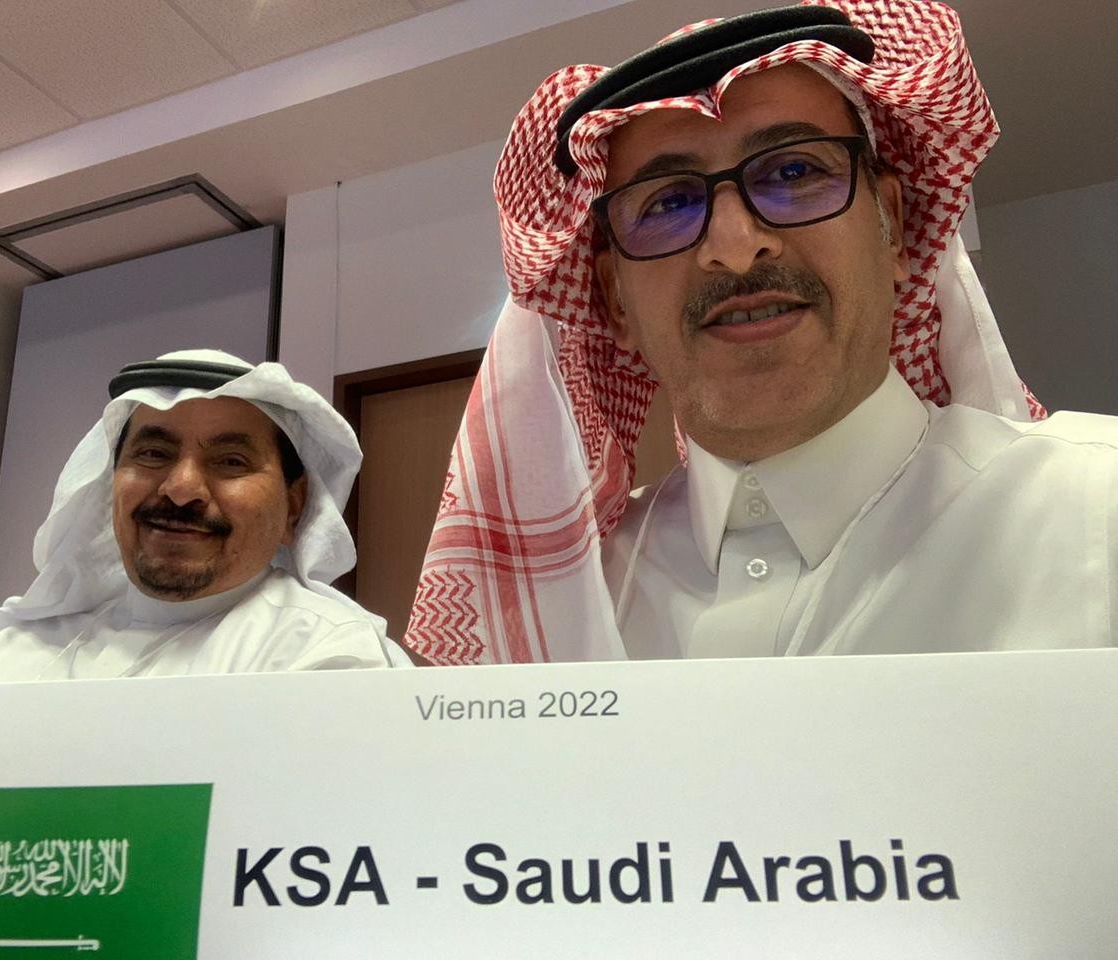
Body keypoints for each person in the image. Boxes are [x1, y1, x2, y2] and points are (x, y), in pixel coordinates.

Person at [403, 1, 1118, 664]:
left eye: (795, 170)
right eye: (668, 203)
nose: (736, 246)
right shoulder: (568, 610)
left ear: (894, 228)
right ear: (615, 302)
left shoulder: (1094, 510)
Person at [0, 349, 405, 681]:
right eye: (154, 454)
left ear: (294, 509)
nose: (180, 490)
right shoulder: (1, 660)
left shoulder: (329, 659)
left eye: (230, 462)